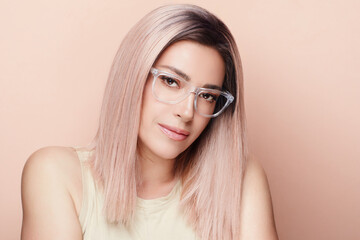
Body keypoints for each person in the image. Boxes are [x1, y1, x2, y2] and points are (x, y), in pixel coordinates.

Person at [20, 4, 278, 240]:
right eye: (170, 81)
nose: (187, 112)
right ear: (132, 76)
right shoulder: (56, 174)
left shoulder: (240, 178)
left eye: (207, 96)